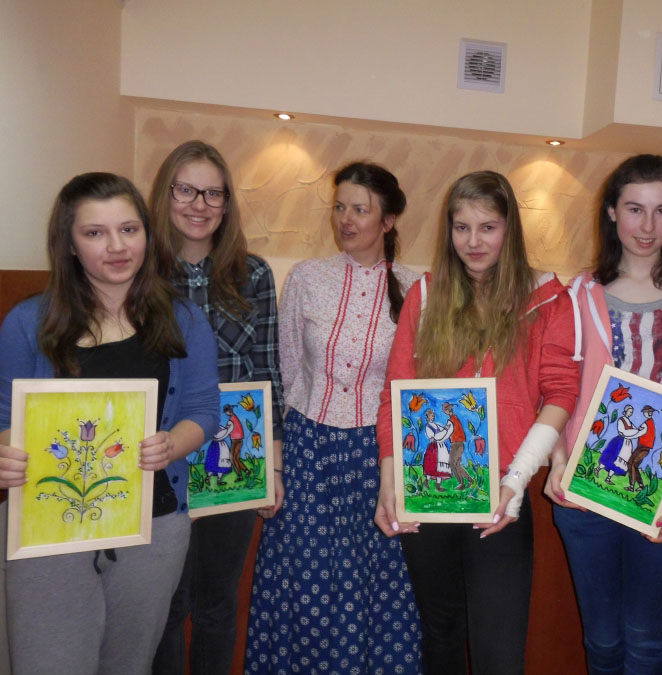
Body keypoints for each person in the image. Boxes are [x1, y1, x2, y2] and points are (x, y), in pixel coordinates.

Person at [0, 172, 219, 673]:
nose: (117, 247)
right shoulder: (28, 322)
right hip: (48, 531)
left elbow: (205, 410)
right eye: (95, 233)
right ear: (70, 244)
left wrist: (172, 444)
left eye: (129, 229)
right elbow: (4, 416)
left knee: (128, 664)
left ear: (147, 233)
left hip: (153, 527)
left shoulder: (184, 320)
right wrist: (8, 453)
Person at [375, 170, 581, 674]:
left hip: (502, 496)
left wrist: (516, 479)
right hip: (429, 490)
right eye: (461, 227)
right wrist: (389, 482)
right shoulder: (426, 295)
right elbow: (396, 395)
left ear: (510, 229)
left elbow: (560, 393)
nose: (473, 241)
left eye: (488, 227)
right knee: (441, 636)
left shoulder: (548, 298)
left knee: (498, 652)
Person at [545, 154, 662, 674]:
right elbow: (556, 384)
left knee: (649, 640)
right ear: (611, 212)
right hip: (587, 488)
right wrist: (558, 459)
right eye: (635, 209)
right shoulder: (578, 294)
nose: (648, 226)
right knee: (602, 640)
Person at [244, 162, 422, 673]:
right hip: (309, 451)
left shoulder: (416, 288)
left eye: (360, 209)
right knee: (304, 582)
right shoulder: (306, 277)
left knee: (379, 582)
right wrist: (275, 463)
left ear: (388, 220)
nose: (346, 219)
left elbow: (418, 385)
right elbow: (283, 374)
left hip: (378, 456)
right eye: (340, 207)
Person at [149, 140, 286, 675]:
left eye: (213, 193)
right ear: (165, 194)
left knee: (217, 603)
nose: (199, 205)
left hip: (234, 456)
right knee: (167, 604)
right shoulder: (141, 272)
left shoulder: (253, 274)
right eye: (186, 190)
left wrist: (274, 468)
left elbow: (269, 371)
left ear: (226, 203)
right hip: (160, 455)